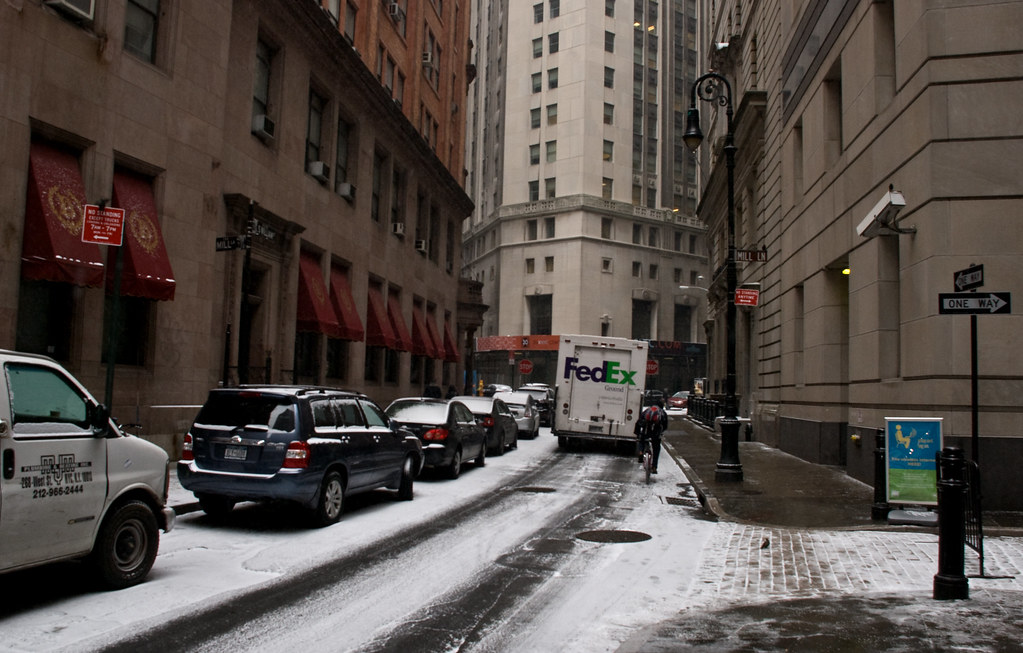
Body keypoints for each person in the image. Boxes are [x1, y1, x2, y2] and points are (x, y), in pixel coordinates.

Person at [634, 398, 667, 473]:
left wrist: (637, 433)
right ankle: (654, 467)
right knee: (656, 448)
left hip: (646, 430)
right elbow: (665, 425)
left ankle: (641, 452)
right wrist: (661, 432)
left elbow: (639, 421)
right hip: (656, 432)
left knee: (642, 440)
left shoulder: (647, 410)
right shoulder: (662, 412)